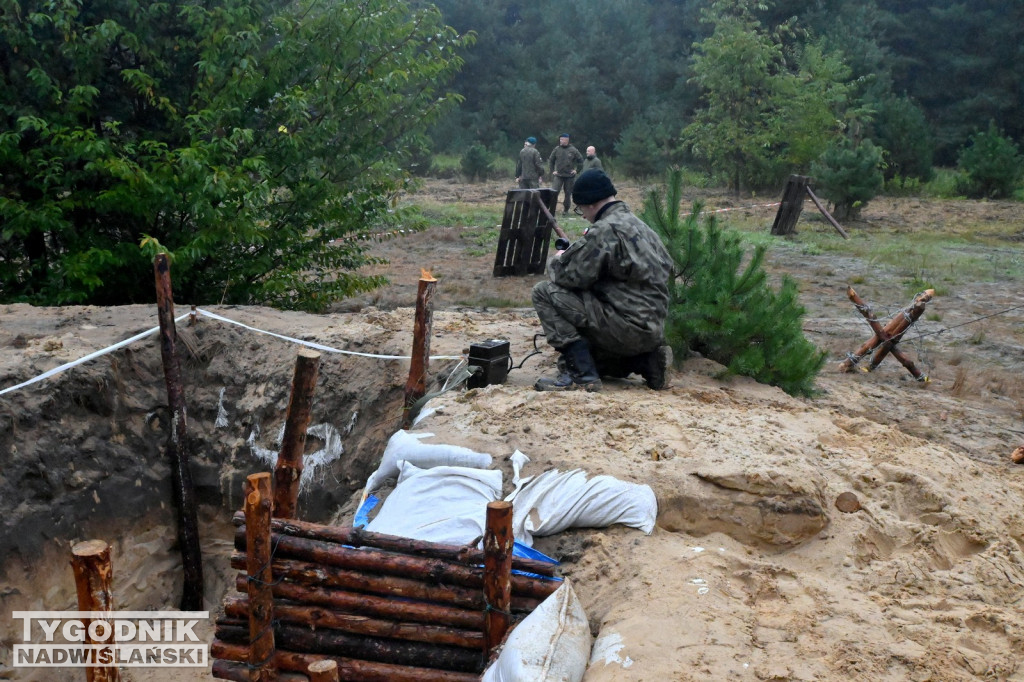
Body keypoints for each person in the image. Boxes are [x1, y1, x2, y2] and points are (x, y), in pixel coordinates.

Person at [532, 169, 674, 392]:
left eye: (581, 209)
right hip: (653, 330)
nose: (584, 215)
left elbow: (568, 277)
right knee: (577, 359)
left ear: (590, 204)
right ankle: (647, 362)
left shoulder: (605, 230)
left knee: (543, 292)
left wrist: (559, 259)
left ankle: (582, 375)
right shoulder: (643, 228)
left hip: (624, 328)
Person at [547, 133, 583, 214]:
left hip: (569, 176)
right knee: (554, 192)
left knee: (568, 194)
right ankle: (551, 210)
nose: (561, 141)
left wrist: (577, 170)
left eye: (562, 139)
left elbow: (580, 161)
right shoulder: (556, 149)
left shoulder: (573, 150)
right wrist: (553, 170)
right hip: (558, 175)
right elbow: (551, 160)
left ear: (567, 140)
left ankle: (566, 210)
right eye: (560, 139)